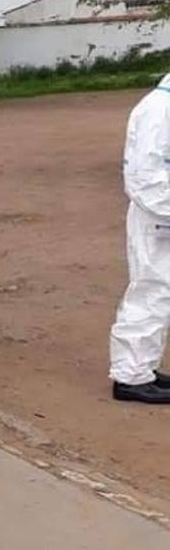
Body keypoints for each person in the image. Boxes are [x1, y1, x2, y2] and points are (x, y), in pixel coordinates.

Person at [110, 73, 170, 404]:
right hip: (158, 217)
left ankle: (142, 368)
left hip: (162, 214)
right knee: (151, 292)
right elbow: (145, 179)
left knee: (160, 294)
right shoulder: (159, 110)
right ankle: (130, 377)